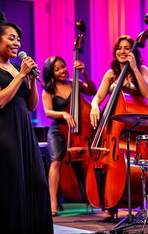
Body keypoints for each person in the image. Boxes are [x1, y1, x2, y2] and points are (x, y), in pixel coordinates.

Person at [0, 7, 53, 234]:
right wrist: (20, 76)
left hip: (23, 129)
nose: (17, 43)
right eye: (11, 38)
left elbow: (30, 106)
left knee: (36, 184)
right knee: (11, 189)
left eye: (18, 39)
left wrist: (31, 79)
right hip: (3, 132)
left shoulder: (18, 67)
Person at [90, 35, 148, 221]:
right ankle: (110, 201)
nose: (122, 51)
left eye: (127, 48)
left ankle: (131, 200)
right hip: (112, 131)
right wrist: (94, 106)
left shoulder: (141, 69)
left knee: (129, 163)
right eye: (119, 48)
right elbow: (98, 97)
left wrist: (133, 68)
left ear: (133, 52)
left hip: (130, 131)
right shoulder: (111, 74)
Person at [42, 56, 97, 216]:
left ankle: (92, 197)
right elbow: (47, 111)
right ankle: (53, 202)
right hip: (58, 130)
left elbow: (92, 91)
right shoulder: (49, 90)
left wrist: (85, 73)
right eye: (57, 69)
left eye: (63, 67)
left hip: (79, 133)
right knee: (56, 161)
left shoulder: (75, 83)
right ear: (51, 73)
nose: (62, 71)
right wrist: (63, 114)